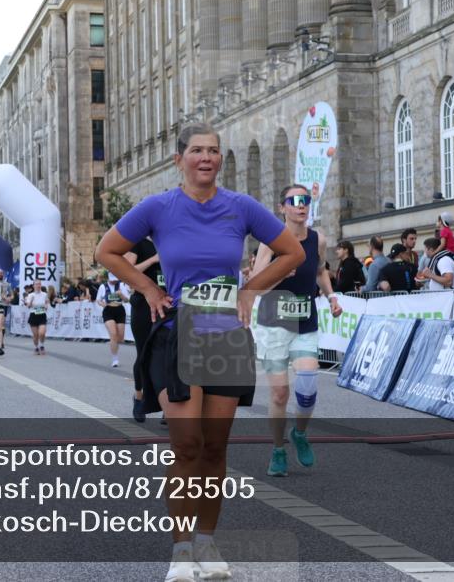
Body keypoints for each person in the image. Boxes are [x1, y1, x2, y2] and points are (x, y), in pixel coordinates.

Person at [94, 123, 304, 582]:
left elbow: (292, 253)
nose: (206, 157)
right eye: (196, 150)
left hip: (225, 335)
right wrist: (148, 288)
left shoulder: (241, 207)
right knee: (186, 444)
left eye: (213, 150)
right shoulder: (158, 207)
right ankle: (181, 549)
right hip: (178, 333)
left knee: (214, 447)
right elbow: (106, 251)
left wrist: (250, 290)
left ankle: (207, 542)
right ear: (179, 160)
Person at [252, 185, 342, 478]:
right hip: (273, 325)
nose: (301, 205)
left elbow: (320, 271)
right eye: (295, 201)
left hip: (304, 322)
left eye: (306, 200)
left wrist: (331, 296)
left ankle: (299, 433)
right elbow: (256, 286)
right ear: (283, 207)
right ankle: (278, 450)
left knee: (307, 389)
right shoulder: (270, 242)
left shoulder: (318, 239)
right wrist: (278, 272)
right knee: (279, 394)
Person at [125, 236, 164, 422]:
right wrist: (153, 259)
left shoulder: (170, 240)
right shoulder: (139, 242)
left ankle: (169, 404)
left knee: (170, 354)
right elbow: (127, 272)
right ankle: (139, 397)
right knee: (143, 354)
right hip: (143, 304)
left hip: (168, 302)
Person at [97, 273, 130, 368]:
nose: (114, 281)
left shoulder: (121, 285)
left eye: (115, 279)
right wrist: (102, 304)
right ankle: (115, 359)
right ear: (109, 278)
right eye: (112, 280)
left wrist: (121, 294)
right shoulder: (103, 286)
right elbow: (98, 299)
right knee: (113, 334)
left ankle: (113, 342)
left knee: (120, 338)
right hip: (108, 310)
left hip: (120, 310)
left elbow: (127, 300)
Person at [25, 279, 49, 355]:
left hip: (42, 315)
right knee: (35, 335)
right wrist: (31, 301)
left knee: (42, 333)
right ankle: (36, 347)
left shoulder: (44, 294)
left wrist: (46, 306)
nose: (38, 286)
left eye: (39, 284)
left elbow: (47, 302)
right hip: (33, 315)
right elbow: (28, 306)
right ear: (33, 286)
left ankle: (42, 345)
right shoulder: (30, 295)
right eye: (36, 284)